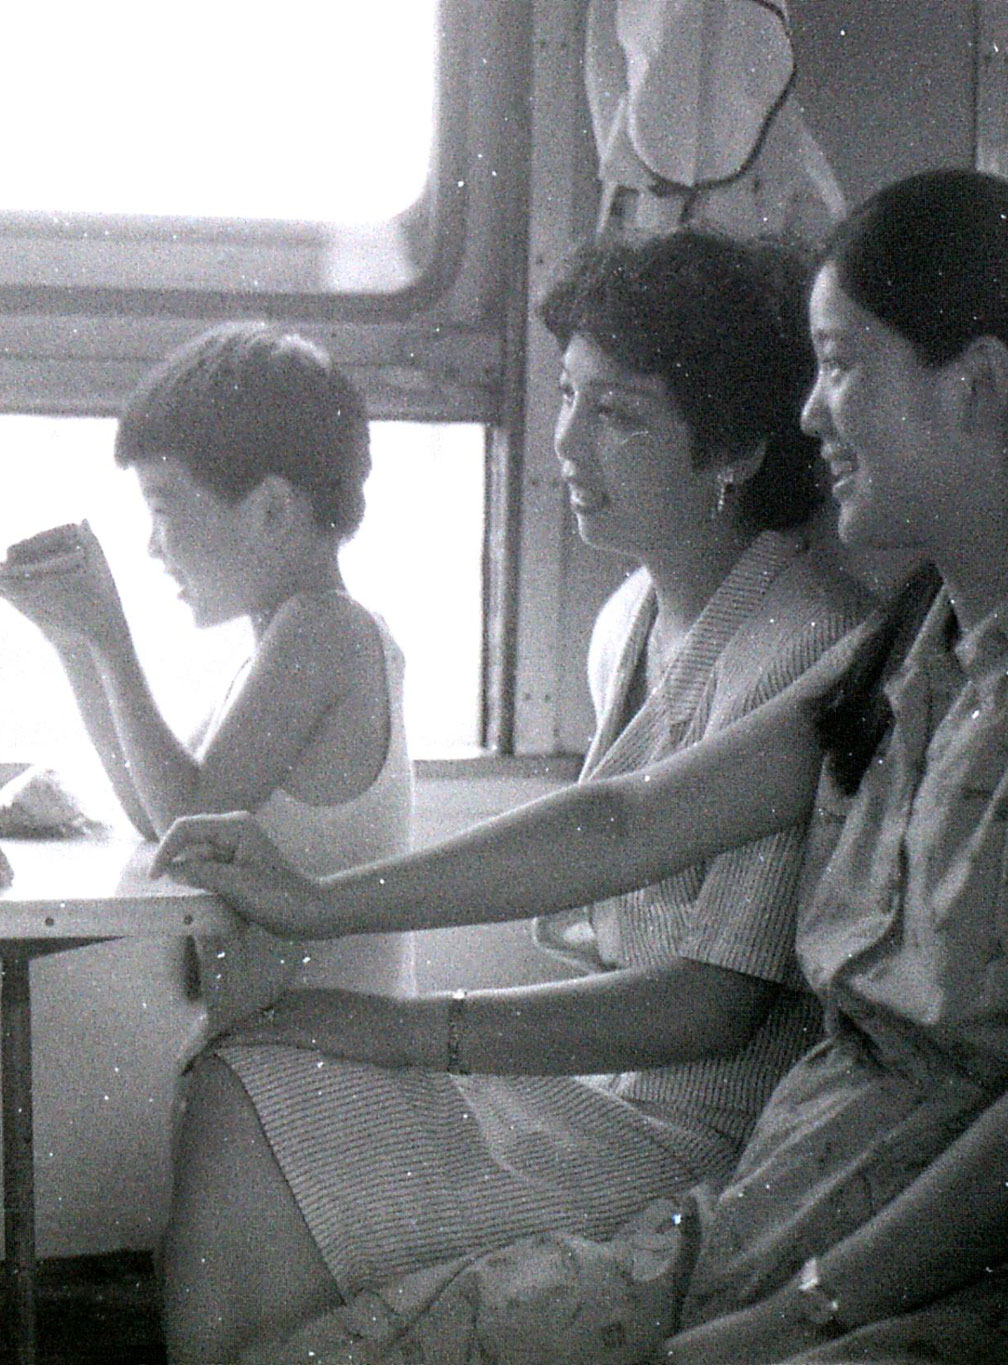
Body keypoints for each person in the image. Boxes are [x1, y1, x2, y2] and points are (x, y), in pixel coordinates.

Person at [155, 168, 1008, 1364]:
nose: (808, 417)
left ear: (978, 385)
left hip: (940, 1276)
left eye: (841, 365)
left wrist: (798, 1316)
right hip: (774, 1212)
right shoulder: (916, 651)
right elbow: (625, 823)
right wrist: (320, 902)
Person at [146, 232, 869, 1364]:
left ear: (731, 446)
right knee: (249, 1075)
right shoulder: (626, 620)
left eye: (619, 415)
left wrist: (406, 1032)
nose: (568, 444)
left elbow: (709, 1011)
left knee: (270, 1102)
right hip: (604, 1097)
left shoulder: (803, 639)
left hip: (694, 1138)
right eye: (569, 397)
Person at [0, 322, 413, 1027]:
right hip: (284, 1047)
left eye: (164, 510)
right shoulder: (279, 645)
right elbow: (152, 810)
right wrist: (73, 637)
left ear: (274, 508)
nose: (153, 547)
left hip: (326, 1069)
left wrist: (111, 636)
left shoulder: (326, 631)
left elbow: (188, 817)